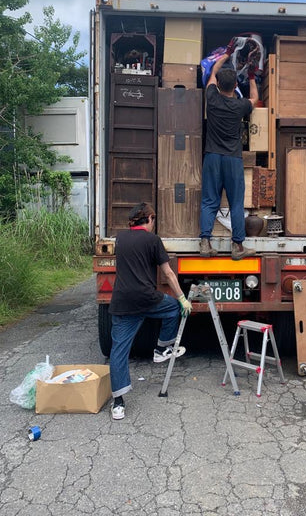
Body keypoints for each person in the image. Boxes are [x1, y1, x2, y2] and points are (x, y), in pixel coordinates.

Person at [109, 202, 192, 420]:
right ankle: (162, 349)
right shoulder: (153, 240)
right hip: (147, 299)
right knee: (173, 307)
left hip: (122, 302)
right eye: (153, 220)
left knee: (119, 351)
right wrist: (182, 298)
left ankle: (118, 403)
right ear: (149, 219)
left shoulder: (120, 238)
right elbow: (168, 274)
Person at [199, 38, 259, 260]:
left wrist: (228, 52)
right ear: (235, 86)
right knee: (235, 202)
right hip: (232, 159)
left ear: (218, 84)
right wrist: (251, 76)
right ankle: (237, 247)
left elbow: (213, 70)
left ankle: (205, 243)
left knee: (209, 200)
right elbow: (255, 99)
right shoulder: (239, 106)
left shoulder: (211, 98)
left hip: (212, 157)